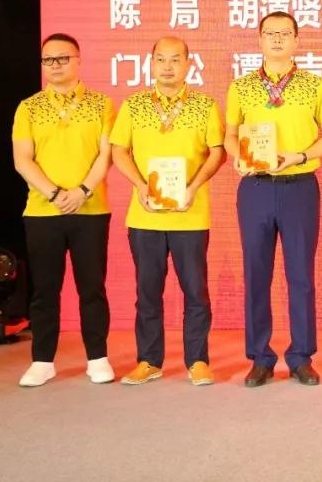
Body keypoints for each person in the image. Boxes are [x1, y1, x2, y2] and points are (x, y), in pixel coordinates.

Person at [225, 11, 322, 387]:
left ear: (296, 40)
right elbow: (229, 135)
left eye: (284, 33)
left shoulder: (315, 85)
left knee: (301, 275)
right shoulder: (241, 86)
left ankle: (301, 356)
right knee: (257, 274)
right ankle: (260, 357)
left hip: (299, 186)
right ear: (259, 39)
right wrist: (238, 156)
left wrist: (299, 156)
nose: (277, 39)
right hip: (255, 188)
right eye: (269, 33)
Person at [110, 37, 225, 386]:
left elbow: (217, 152)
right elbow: (119, 151)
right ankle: (149, 360)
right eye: (161, 59)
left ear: (189, 64)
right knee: (147, 292)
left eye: (175, 59)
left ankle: (198, 360)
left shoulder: (205, 105)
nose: (168, 66)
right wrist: (140, 185)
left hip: (190, 214)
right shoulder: (133, 105)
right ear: (151, 63)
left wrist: (194, 186)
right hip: (145, 215)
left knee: (195, 291)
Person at [11, 33, 114, 387]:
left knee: (92, 288)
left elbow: (106, 154)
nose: (55, 65)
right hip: (43, 213)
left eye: (62, 58)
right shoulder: (29, 107)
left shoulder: (101, 104)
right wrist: (55, 194)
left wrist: (83, 191)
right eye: (48, 60)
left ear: (78, 60)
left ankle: (97, 357)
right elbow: (23, 160)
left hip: (91, 210)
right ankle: (42, 361)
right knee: (45, 290)